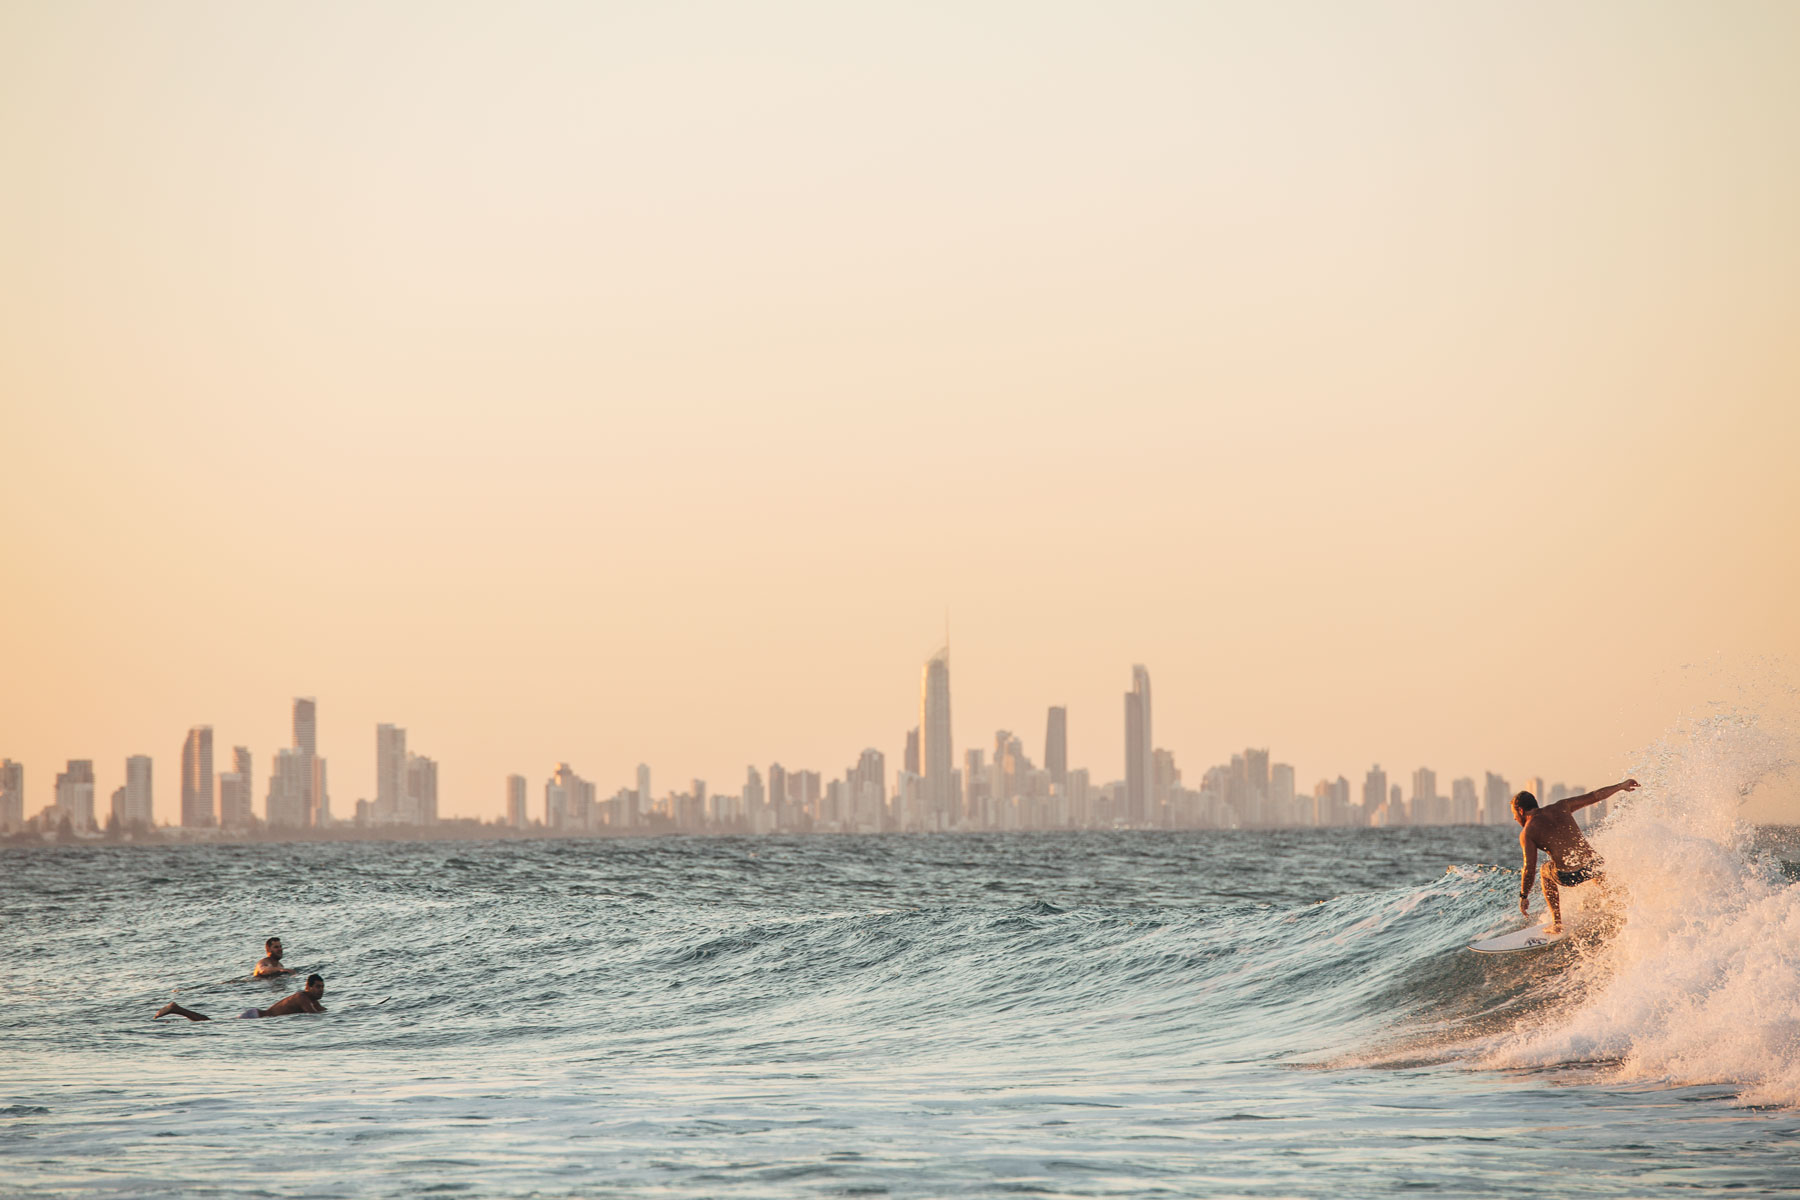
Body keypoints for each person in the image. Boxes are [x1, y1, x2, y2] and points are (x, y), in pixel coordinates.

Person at [1515, 779, 1639, 932]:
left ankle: (1557, 924)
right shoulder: (1561, 806)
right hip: (1593, 865)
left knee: (1544, 871)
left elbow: (1529, 868)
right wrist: (1620, 786)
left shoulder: (1528, 832)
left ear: (1520, 810)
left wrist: (1524, 896)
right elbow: (1594, 796)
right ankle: (1621, 909)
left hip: (1568, 875)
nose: (1515, 819)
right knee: (1595, 867)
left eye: (1514, 814)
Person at [155, 975, 326, 1021]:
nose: (320, 990)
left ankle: (177, 1010)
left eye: (322, 987)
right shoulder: (303, 997)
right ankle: (176, 1008)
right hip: (255, 1018)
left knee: (211, 1023)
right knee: (209, 1023)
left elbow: (322, 1011)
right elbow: (313, 1015)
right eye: (317, 987)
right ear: (307, 987)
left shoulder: (312, 1000)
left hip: (256, 1017)